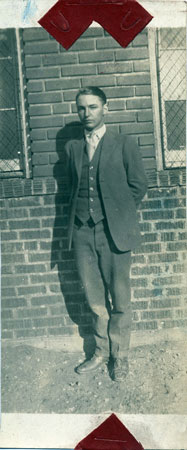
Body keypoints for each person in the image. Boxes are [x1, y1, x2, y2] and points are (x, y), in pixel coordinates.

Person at [64, 86, 148, 382]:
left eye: (92, 107)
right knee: (94, 298)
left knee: (120, 298)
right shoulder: (73, 147)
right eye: (81, 108)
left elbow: (138, 186)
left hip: (115, 233)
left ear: (105, 108)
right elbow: (71, 188)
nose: (86, 113)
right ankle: (100, 353)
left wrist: (117, 214)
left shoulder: (124, 143)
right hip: (82, 233)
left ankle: (120, 357)